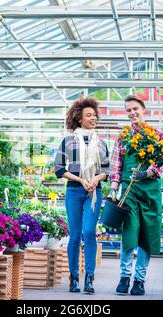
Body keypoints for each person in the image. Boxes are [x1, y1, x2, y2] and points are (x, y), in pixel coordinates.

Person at [108, 95, 163, 296]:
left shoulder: (157, 135)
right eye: (128, 110)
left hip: (150, 192)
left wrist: (147, 173)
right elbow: (116, 166)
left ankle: (139, 280)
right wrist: (113, 189)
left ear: (144, 110)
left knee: (147, 235)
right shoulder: (123, 137)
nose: (132, 113)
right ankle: (124, 276)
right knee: (129, 233)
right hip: (129, 191)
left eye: (135, 109)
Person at [54, 97, 110, 294]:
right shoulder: (68, 141)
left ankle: (89, 278)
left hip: (94, 192)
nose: (93, 118)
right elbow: (59, 169)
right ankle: (74, 278)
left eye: (95, 115)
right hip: (74, 191)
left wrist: (96, 179)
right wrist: (81, 180)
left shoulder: (101, 143)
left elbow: (106, 170)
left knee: (89, 232)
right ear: (79, 118)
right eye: (89, 115)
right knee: (75, 235)